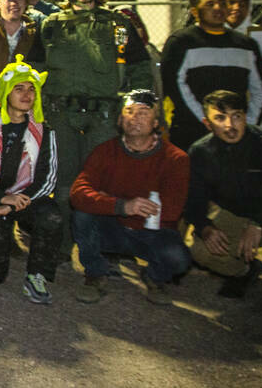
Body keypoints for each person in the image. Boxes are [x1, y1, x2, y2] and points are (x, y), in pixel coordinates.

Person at [39, 0, 153, 245]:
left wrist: (138, 108)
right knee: (63, 185)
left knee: (100, 185)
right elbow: (34, 71)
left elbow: (141, 69)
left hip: (104, 117)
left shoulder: (118, 24)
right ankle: (63, 244)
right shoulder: (51, 25)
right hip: (61, 115)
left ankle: (99, 246)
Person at [70, 89, 191, 305]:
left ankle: (154, 277)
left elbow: (172, 210)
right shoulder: (105, 151)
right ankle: (96, 273)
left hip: (152, 232)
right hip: (114, 226)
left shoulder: (176, 159)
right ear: (119, 119)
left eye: (144, 113)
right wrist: (122, 205)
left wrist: (106, 200)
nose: (135, 118)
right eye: (129, 111)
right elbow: (78, 193)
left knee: (178, 258)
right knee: (82, 215)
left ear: (156, 123)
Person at [0, 57, 61, 303]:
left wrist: (7, 205)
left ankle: (37, 274)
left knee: (51, 215)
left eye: (31, 89)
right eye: (19, 88)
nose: (27, 94)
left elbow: (48, 179)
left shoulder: (44, 129)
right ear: (6, 91)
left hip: (20, 199)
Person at [186, 90, 262, 305]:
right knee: (202, 251)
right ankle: (246, 271)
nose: (229, 125)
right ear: (207, 123)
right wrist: (205, 227)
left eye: (237, 116)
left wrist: (258, 223)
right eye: (220, 118)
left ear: (245, 117)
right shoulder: (200, 152)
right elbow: (193, 199)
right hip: (238, 215)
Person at [160, 0, 262, 150]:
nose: (218, 8)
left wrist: (243, 126)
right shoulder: (181, 42)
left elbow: (261, 90)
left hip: (235, 137)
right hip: (190, 134)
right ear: (195, 12)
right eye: (210, 4)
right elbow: (174, 86)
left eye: (223, 3)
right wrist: (209, 121)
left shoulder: (246, 44)